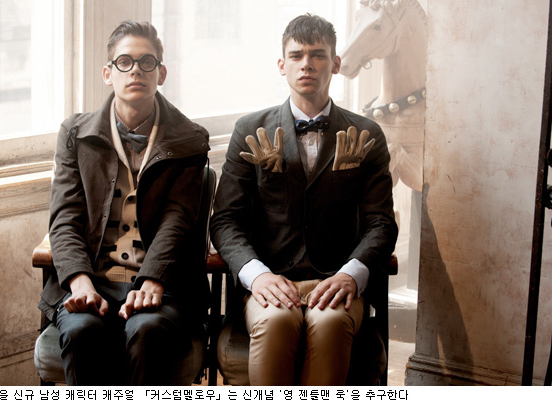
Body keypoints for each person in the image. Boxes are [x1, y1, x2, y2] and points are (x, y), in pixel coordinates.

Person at [210, 13, 398, 385]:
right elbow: (225, 220)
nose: (306, 64)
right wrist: (257, 276)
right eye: (296, 55)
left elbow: (381, 223)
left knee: (329, 324)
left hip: (336, 280)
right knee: (277, 320)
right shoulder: (250, 129)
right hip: (270, 281)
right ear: (282, 65)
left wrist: (351, 275)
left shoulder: (367, 133)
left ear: (336, 63)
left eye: (318, 55)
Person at [38, 20, 210, 385]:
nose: (136, 71)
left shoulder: (190, 138)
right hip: (92, 277)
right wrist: (79, 282)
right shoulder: (75, 134)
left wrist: (154, 280)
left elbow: (178, 220)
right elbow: (65, 218)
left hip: (164, 283)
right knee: (81, 331)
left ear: (161, 73)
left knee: (147, 330)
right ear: (108, 74)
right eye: (125, 62)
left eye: (147, 62)